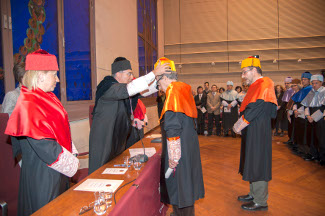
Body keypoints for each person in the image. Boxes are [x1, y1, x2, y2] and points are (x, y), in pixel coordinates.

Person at [5, 50, 79, 216]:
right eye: (54, 74)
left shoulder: (46, 97)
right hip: (43, 179)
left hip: (54, 173)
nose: (57, 80)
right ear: (40, 76)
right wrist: (73, 164)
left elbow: (60, 130)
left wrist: (71, 152)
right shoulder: (29, 104)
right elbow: (46, 147)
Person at [89, 57, 169, 174]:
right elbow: (130, 89)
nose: (131, 77)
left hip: (116, 138)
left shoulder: (120, 88)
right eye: (129, 74)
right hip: (105, 139)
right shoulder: (107, 86)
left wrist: (159, 81)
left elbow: (143, 91)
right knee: (100, 173)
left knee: (116, 170)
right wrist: (154, 73)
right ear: (118, 74)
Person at [156, 58, 204, 216]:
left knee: (181, 185)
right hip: (188, 145)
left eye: (158, 83)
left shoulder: (173, 92)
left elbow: (173, 126)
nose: (159, 88)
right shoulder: (183, 89)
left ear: (164, 78)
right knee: (184, 184)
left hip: (179, 149)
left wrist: (174, 156)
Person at [233, 56, 277, 211]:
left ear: (254, 70)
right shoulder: (256, 85)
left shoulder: (265, 83)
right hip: (252, 129)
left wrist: (239, 125)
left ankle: (260, 200)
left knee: (258, 162)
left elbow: (255, 108)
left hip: (258, 130)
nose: (243, 76)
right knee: (251, 160)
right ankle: (253, 193)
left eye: (245, 72)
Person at [301, 74, 325, 166]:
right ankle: (313, 154)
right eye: (313, 83)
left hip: (320, 118)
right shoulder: (311, 92)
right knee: (311, 137)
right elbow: (306, 105)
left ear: (321, 83)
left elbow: (323, 108)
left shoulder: (324, 92)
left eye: (316, 83)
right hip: (310, 118)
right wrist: (308, 116)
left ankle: (322, 157)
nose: (314, 85)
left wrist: (314, 118)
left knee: (321, 138)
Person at [290, 72, 312, 159]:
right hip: (297, 114)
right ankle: (300, 148)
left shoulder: (310, 90)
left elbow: (308, 104)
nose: (303, 81)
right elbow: (296, 101)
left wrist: (302, 112)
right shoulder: (302, 90)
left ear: (309, 80)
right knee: (299, 132)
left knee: (305, 133)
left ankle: (306, 151)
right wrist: (295, 110)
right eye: (302, 79)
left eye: (305, 79)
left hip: (304, 114)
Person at [282, 77, 295, 144]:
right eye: (285, 83)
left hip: (291, 109)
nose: (286, 84)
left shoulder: (292, 91)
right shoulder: (286, 91)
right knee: (288, 125)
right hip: (286, 108)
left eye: (288, 83)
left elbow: (291, 102)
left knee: (291, 124)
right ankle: (290, 139)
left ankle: (292, 139)